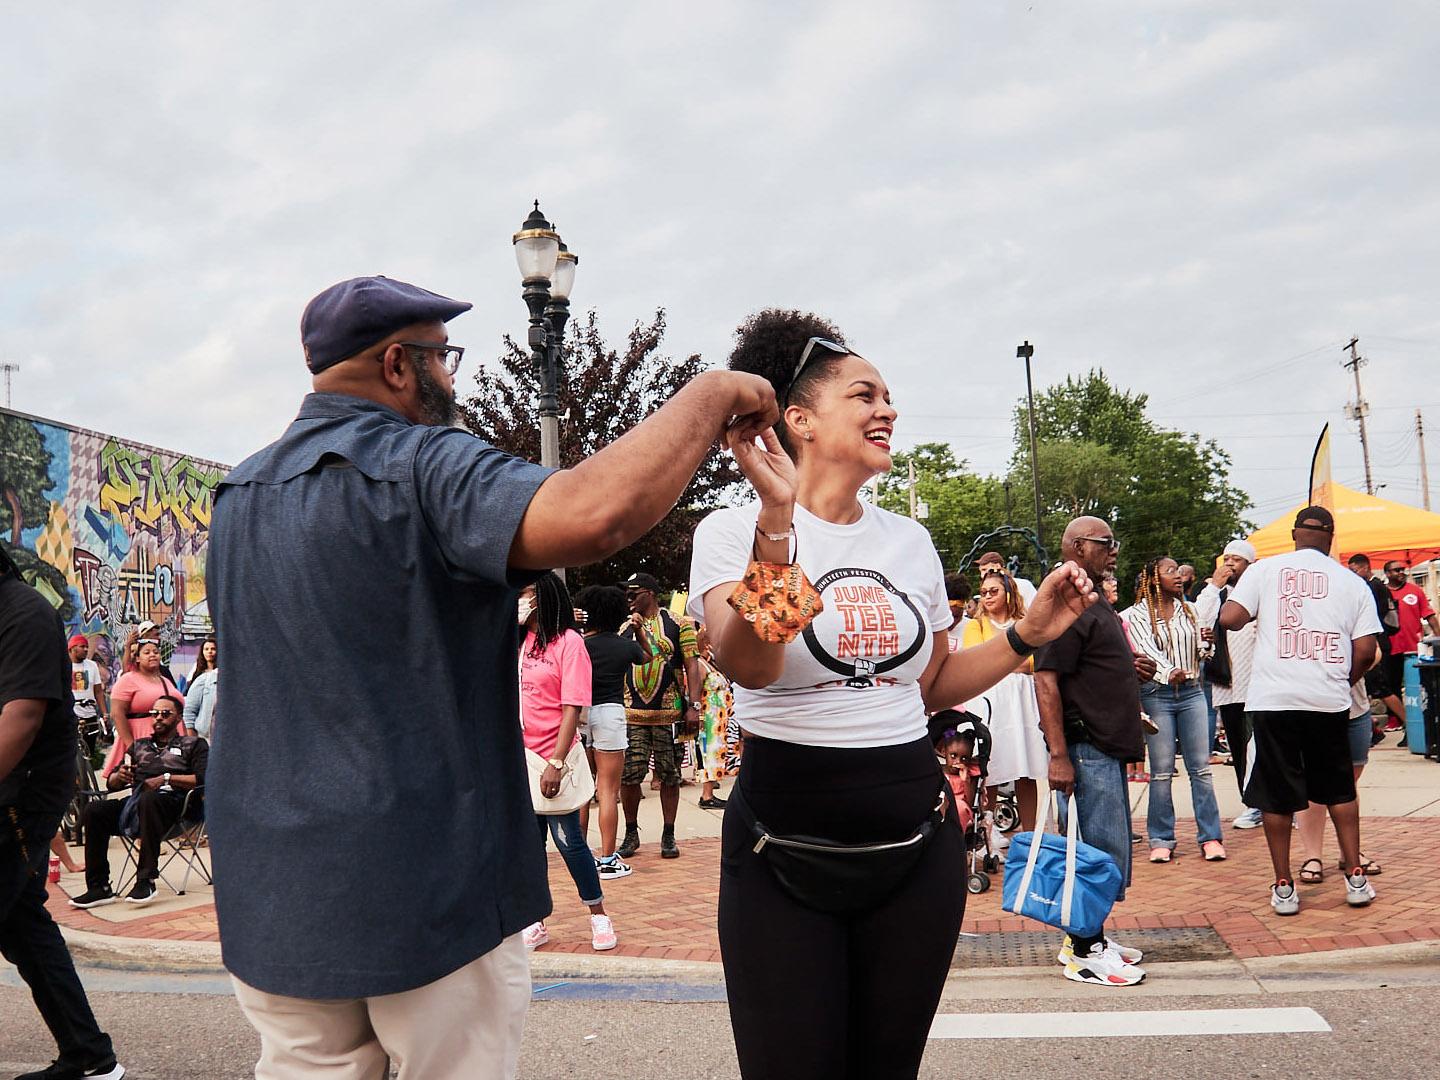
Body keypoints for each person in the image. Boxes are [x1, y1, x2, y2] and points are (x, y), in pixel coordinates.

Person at [207, 274, 780, 1078]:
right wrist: (712, 392)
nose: (454, 376)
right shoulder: (420, 463)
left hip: (275, 882)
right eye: (445, 357)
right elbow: (593, 515)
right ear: (399, 367)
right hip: (422, 876)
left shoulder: (239, 493)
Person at [688, 310, 1096, 1077]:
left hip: (915, 848)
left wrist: (1026, 635)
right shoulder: (731, 528)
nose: (888, 410)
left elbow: (934, 684)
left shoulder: (906, 540)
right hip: (783, 848)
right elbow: (751, 666)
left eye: (889, 396)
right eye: (865, 395)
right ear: (799, 419)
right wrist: (778, 529)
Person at [1219, 506, 1382, 917]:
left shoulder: (1265, 570)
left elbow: (1230, 618)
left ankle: (1284, 885)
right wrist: (1342, 680)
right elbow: (1366, 650)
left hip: (1274, 700)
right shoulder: (1352, 582)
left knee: (1276, 796)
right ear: (1330, 537)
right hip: (1327, 700)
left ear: (1294, 534)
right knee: (1340, 790)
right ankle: (1356, 877)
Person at [0, 546, 124, 1080]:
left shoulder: (23, 613)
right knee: (22, 924)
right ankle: (89, 1056)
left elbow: (22, 717)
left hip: (18, 799)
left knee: (21, 921)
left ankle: (90, 1056)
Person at [1034, 516, 1155, 987]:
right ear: (1078, 547)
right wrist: (1058, 754)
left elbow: (1089, 665)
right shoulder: (1067, 601)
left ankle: (1095, 939)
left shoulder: (1091, 600)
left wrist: (1129, 667)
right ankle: (1083, 950)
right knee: (1091, 851)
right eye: (1105, 543)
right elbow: (1046, 679)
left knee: (1106, 850)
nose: (1114, 550)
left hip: (1102, 747)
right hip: (1084, 749)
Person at [517, 574, 617, 953]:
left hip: (553, 754)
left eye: (524, 593)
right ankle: (535, 920)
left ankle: (598, 914)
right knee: (530, 845)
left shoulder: (570, 643)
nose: (519, 600)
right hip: (521, 757)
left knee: (568, 840)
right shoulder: (520, 642)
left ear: (542, 598)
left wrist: (556, 761)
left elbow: (572, 706)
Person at [1121, 557, 1225, 864]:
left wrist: (1208, 644)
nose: (1178, 576)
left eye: (1179, 571)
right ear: (1154, 579)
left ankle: (1211, 837)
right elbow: (1145, 651)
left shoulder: (1189, 610)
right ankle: (1161, 838)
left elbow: (1203, 651)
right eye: (1170, 571)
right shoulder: (1136, 615)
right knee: (1162, 771)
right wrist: (1169, 672)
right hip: (1157, 695)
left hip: (1192, 691)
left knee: (1201, 769)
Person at [68, 696, 207, 908]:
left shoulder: (193, 744)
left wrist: (167, 779)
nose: (158, 717)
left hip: (178, 809)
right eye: (154, 713)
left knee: (150, 799)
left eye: (165, 714)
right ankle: (99, 887)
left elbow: (204, 779)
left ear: (178, 718)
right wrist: (119, 776)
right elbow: (114, 784)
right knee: (96, 809)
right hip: (139, 807)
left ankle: (146, 880)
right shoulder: (140, 746)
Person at [617, 571, 701, 860]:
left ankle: (668, 833)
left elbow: (692, 665)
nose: (629, 598)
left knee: (670, 774)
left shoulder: (679, 624)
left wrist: (694, 705)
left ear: (650, 593)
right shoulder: (624, 626)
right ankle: (630, 832)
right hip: (632, 712)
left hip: (668, 712)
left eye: (634, 593)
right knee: (629, 775)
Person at [573, 584, 650, 878]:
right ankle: (607, 859)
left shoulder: (576, 644)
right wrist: (639, 630)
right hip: (610, 713)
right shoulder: (623, 645)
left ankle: (580, 855)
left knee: (583, 789)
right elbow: (649, 655)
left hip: (578, 714)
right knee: (607, 790)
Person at [960, 569, 1046, 830]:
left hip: (1022, 705)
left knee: (1025, 771)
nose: (987, 597)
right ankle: (987, 835)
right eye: (983, 592)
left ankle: (1030, 836)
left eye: (993, 591)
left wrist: (1002, 661)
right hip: (990, 705)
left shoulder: (1025, 623)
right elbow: (977, 659)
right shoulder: (976, 625)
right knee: (990, 770)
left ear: (1009, 592)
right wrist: (1014, 660)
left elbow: (1036, 661)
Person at [1194, 540, 1264, 829]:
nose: (1230, 564)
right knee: (1238, 747)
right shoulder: (1217, 594)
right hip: (1228, 685)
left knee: (1263, 746)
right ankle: (1252, 803)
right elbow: (1200, 619)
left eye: (1237, 559)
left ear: (1249, 565)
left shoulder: (1260, 591)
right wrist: (1213, 586)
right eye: (1227, 558)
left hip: (1259, 683)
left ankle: (1282, 803)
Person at [101, 640, 184, 778]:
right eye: (147, 652)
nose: (152, 655)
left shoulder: (165, 680)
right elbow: (117, 713)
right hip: (143, 736)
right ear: (137, 658)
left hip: (173, 736)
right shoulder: (127, 680)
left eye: (156, 652)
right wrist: (132, 747)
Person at [1345, 554, 1402, 738]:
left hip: (1375, 642)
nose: (1352, 574)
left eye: (1355, 570)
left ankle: (1409, 723)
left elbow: (1376, 615)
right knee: (1370, 688)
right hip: (1373, 641)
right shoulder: (1370, 587)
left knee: (1380, 687)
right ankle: (1373, 728)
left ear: (1365, 568)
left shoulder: (1374, 587)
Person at [1383, 559, 1438, 736]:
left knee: (1417, 687)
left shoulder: (1415, 591)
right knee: (1392, 685)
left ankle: (1417, 726)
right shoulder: (1382, 593)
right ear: (1387, 574)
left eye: (1403, 569)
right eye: (1396, 570)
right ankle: (1398, 720)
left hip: (1414, 650)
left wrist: (1438, 638)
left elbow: (1430, 616)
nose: (1401, 572)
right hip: (1391, 649)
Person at [692, 624, 733, 808]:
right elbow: (695, 690)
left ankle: (709, 793)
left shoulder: (712, 664)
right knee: (709, 754)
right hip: (709, 717)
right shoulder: (700, 665)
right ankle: (706, 796)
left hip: (719, 718)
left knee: (716, 754)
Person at [68, 634, 108, 756]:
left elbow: (98, 691)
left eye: (87, 647)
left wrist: (104, 713)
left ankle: (87, 773)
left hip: (89, 714)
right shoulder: (64, 665)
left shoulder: (92, 665)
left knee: (89, 751)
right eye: (82, 646)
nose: (86, 649)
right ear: (72, 648)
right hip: (71, 714)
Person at [182, 637, 218, 740]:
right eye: (206, 649)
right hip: (205, 734)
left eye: (213, 649)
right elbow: (190, 709)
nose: (210, 652)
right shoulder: (200, 676)